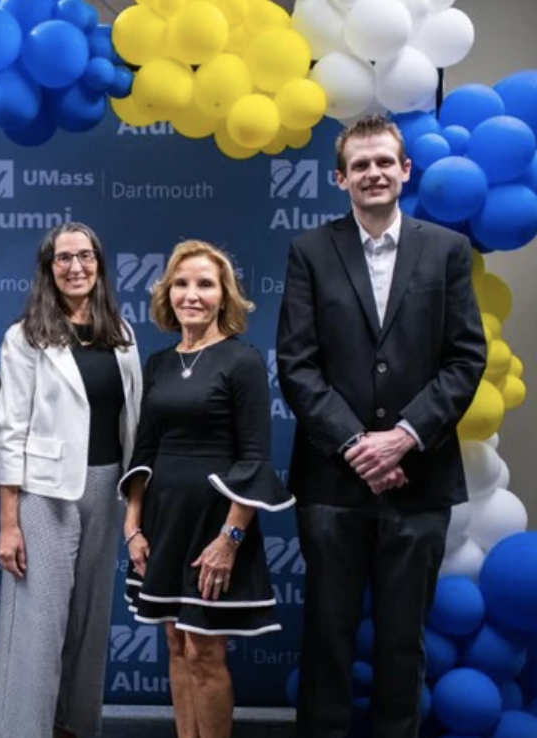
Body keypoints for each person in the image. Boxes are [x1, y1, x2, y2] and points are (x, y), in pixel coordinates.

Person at [276, 114, 486, 738]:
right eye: (359, 164)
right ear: (340, 177)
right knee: (327, 644)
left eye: (383, 162)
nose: (372, 173)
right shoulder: (310, 250)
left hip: (419, 481)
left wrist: (403, 437)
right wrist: (354, 443)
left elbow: (465, 357)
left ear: (404, 170)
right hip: (331, 486)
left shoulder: (446, 250)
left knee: (402, 646)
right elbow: (297, 363)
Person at [121, 240, 293, 738]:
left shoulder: (242, 360)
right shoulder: (157, 364)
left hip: (217, 526)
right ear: (167, 292)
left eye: (204, 284)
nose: (191, 294)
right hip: (162, 522)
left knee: (205, 649)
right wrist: (132, 526)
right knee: (175, 642)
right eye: (181, 283)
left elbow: (255, 458)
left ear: (224, 296)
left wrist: (230, 538)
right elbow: (144, 452)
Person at [0, 222, 142, 738]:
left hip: (107, 488)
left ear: (98, 263)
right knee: (36, 628)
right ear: (48, 269)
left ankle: (75, 727)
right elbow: (9, 430)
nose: (75, 267)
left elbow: (132, 422)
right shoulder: (25, 336)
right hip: (44, 495)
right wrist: (8, 522)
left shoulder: (121, 334)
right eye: (63, 258)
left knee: (90, 624)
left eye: (85, 256)